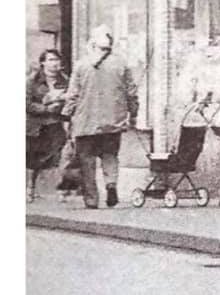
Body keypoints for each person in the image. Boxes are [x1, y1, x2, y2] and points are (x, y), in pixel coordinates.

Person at [62, 25, 138, 209]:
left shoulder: (81, 65)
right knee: (110, 155)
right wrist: (133, 114)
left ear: (92, 43)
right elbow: (132, 93)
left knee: (87, 161)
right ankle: (111, 185)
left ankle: (91, 199)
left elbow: (73, 95)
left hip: (85, 121)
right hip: (112, 121)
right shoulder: (121, 64)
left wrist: (66, 116)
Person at [26, 49, 70, 202]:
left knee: (58, 156)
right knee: (33, 159)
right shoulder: (32, 81)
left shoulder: (65, 80)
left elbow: (71, 99)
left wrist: (63, 106)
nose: (54, 63)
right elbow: (27, 104)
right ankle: (29, 188)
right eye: (50, 60)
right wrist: (45, 108)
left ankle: (60, 191)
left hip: (55, 123)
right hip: (36, 126)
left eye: (57, 60)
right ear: (43, 62)